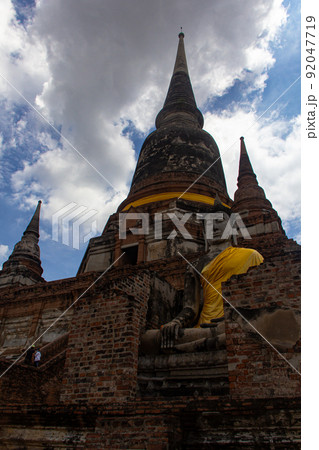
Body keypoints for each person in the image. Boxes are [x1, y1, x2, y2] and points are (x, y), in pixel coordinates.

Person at [160, 195, 263, 350]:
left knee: (244, 331)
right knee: (156, 338)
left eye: (219, 221)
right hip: (204, 327)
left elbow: (260, 298)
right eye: (208, 224)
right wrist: (175, 323)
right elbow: (191, 309)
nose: (213, 227)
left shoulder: (250, 255)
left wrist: (233, 318)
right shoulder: (195, 265)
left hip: (238, 321)